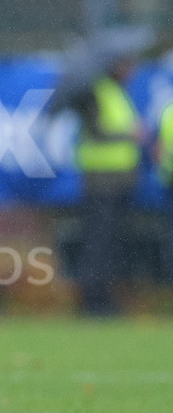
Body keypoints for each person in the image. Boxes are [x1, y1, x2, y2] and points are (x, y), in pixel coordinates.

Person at [67, 34, 144, 316]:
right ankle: (94, 301)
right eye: (126, 64)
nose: (131, 70)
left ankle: (106, 298)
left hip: (120, 181)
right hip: (101, 181)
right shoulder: (94, 93)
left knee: (111, 243)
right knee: (98, 242)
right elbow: (98, 132)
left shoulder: (116, 92)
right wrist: (129, 134)